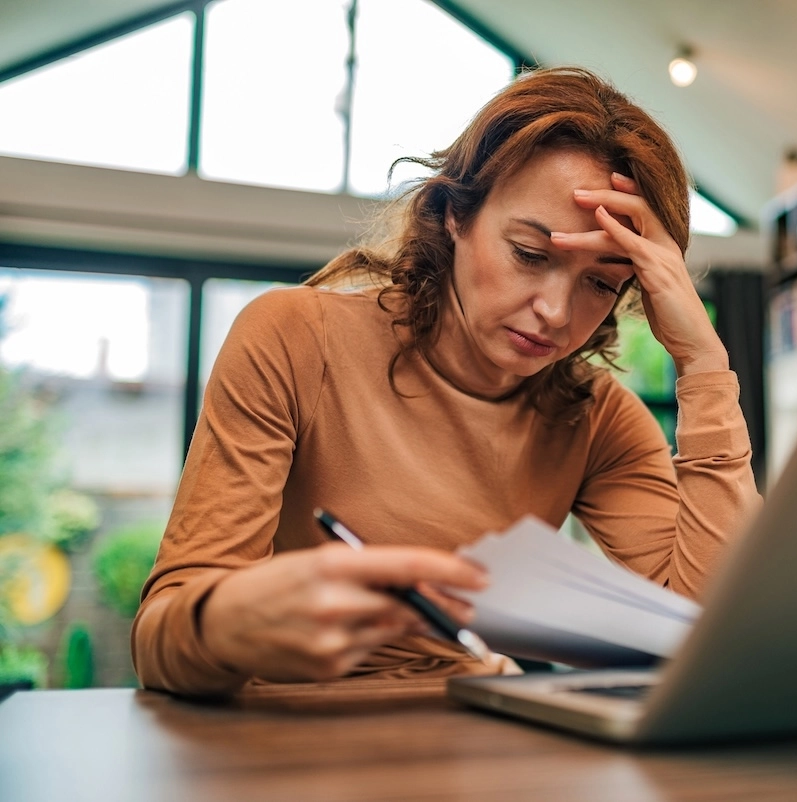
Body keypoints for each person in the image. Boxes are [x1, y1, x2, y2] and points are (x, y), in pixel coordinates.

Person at [132, 66, 761, 696]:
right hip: (291, 733)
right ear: (452, 216)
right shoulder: (296, 338)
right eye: (530, 255)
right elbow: (160, 641)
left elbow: (714, 636)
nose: (556, 311)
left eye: (602, 282)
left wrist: (705, 365)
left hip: (479, 728)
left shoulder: (596, 419)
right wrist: (228, 624)